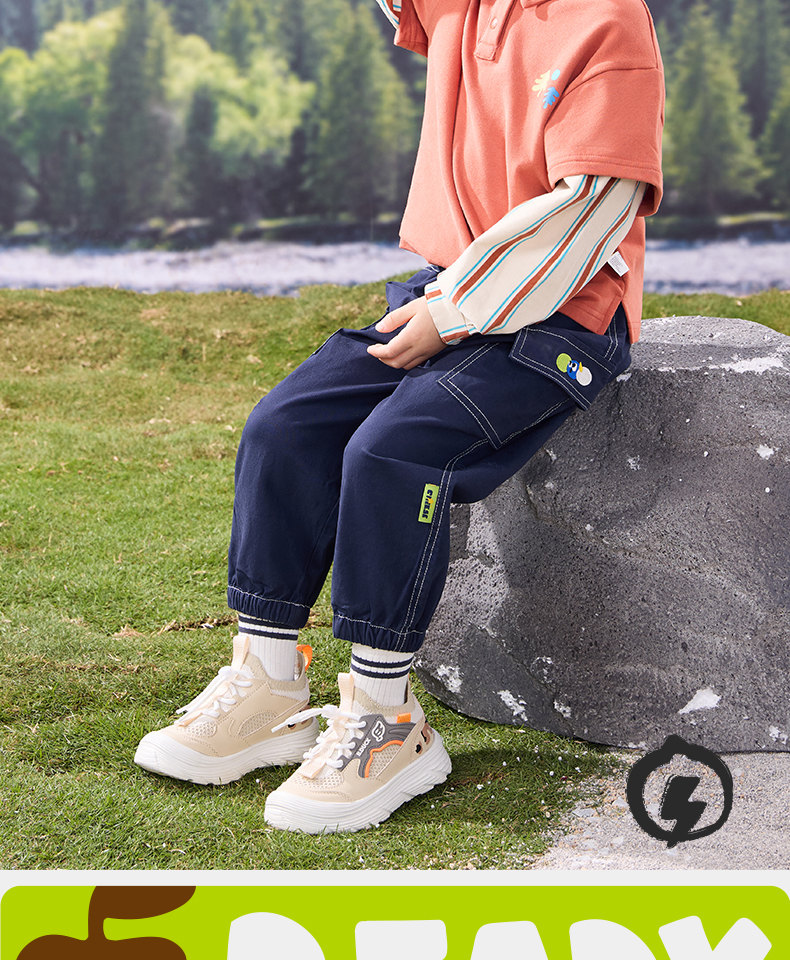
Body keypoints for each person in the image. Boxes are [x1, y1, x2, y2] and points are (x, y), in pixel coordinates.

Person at [135, 0, 664, 834]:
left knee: (390, 451)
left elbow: (596, 201)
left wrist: (453, 314)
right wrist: (448, 303)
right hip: (451, 287)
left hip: (566, 315)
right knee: (286, 425)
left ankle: (389, 719)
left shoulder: (605, 18)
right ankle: (269, 683)